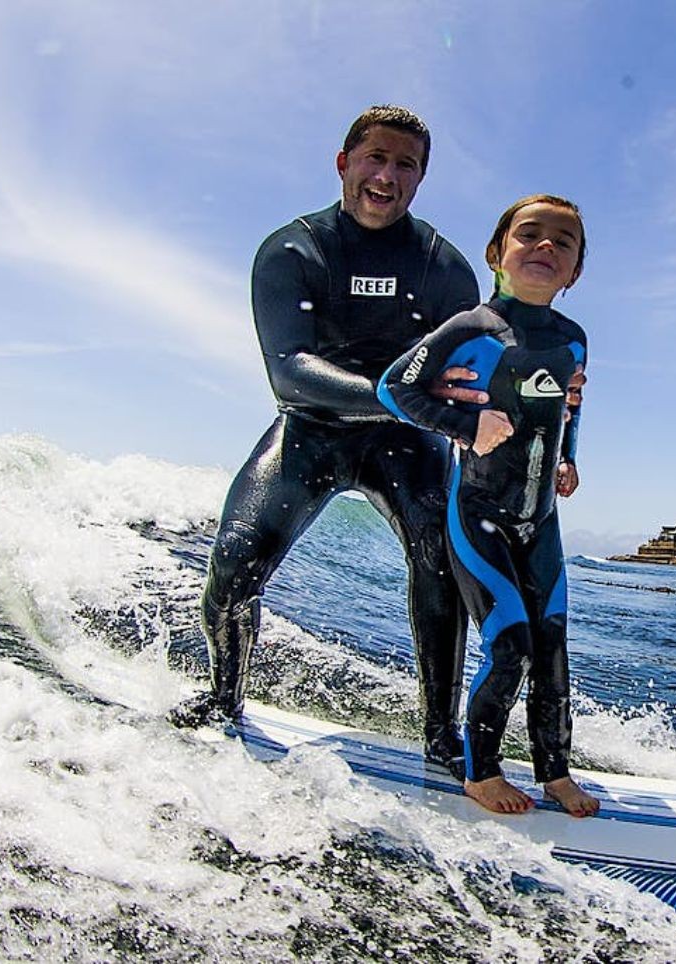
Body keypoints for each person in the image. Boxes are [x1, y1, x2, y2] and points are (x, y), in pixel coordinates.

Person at [171, 105, 486, 780]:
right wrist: (391, 392)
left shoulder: (444, 269)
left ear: (421, 180)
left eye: (407, 165)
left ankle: (440, 735)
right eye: (376, 157)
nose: (387, 175)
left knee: (440, 555)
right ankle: (224, 699)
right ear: (344, 163)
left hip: (402, 442)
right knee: (231, 564)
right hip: (311, 430)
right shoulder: (294, 250)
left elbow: (467, 379)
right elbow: (289, 372)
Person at [377, 195, 599, 817]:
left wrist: (567, 457)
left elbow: (568, 408)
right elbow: (394, 387)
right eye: (530, 234)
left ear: (575, 272)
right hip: (477, 510)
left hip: (541, 518)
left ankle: (555, 772)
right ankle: (481, 772)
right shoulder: (471, 327)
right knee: (511, 645)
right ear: (497, 253)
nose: (547, 245)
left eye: (565, 241)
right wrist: (464, 425)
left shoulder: (574, 342)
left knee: (552, 648)